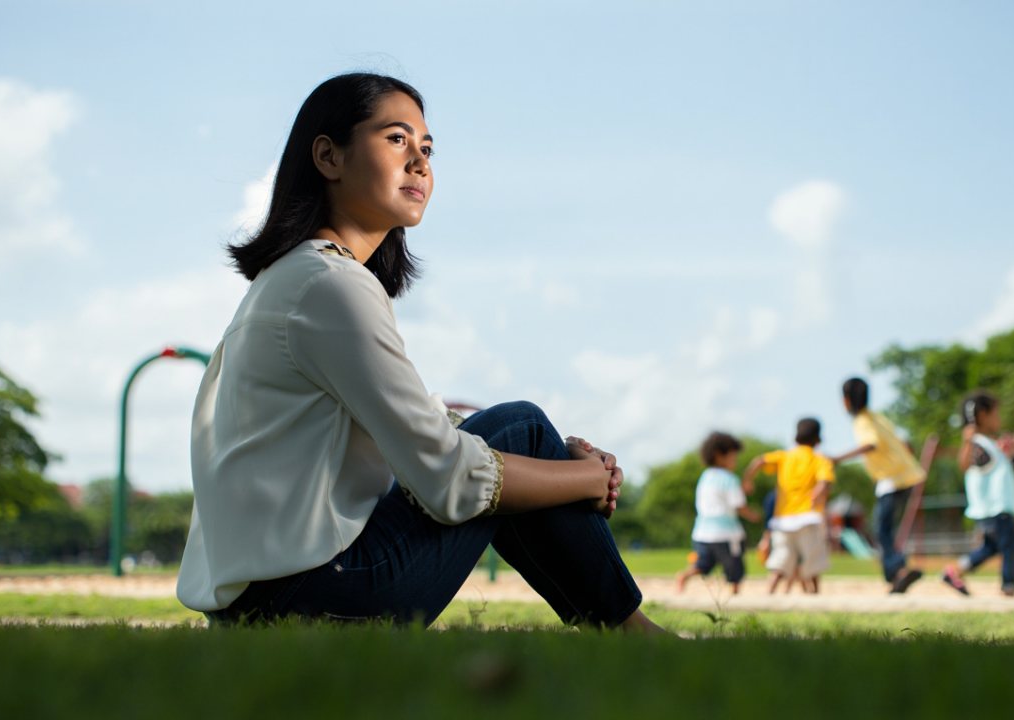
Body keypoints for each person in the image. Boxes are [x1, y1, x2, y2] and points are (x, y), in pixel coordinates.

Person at [176, 73, 661, 632]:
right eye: (396, 139)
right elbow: (445, 475)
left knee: (508, 439)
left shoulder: (292, 280)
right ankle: (637, 637)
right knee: (521, 429)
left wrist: (561, 469)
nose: (420, 164)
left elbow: (417, 434)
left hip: (259, 604)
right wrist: (588, 480)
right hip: (310, 597)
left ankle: (626, 633)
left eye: (427, 149)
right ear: (329, 157)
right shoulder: (331, 285)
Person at [829, 377, 926, 594]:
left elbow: (870, 444)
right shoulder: (878, 417)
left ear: (846, 400)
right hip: (906, 475)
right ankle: (896, 574)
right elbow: (904, 443)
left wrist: (837, 459)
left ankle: (898, 570)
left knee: (881, 529)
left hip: (891, 479)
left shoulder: (862, 421)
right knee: (885, 529)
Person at [942, 390, 1014, 597]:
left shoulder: (989, 444)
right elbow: (964, 465)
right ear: (983, 415)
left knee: (991, 547)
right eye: (996, 414)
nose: (999, 419)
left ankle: (955, 571)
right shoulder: (976, 443)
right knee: (1010, 547)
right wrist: (966, 442)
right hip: (995, 506)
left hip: (994, 507)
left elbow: (1011, 469)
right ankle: (1009, 585)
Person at [742, 418, 833, 594]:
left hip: (783, 520)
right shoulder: (819, 459)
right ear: (818, 439)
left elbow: (759, 461)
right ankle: (815, 594)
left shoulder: (784, 456)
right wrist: (817, 493)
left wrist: (747, 480)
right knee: (812, 561)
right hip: (807, 517)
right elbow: (824, 481)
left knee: (781, 560)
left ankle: (770, 592)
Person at [676, 432, 761, 594]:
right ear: (719, 456)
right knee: (734, 567)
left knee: (702, 564)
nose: (735, 461)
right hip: (727, 533)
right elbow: (738, 505)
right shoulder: (730, 479)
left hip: (702, 532)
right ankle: (734, 593)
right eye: (733, 457)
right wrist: (753, 515)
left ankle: (684, 577)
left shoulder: (705, 477)